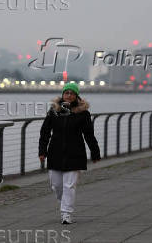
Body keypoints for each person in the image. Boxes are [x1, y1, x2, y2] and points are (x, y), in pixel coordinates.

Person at [38, 83, 101, 224]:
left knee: (69, 186)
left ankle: (66, 214)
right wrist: (42, 151)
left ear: (76, 96)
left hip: (75, 154)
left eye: (72, 93)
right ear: (62, 95)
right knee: (56, 185)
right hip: (55, 153)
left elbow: (89, 134)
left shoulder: (83, 113)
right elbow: (45, 132)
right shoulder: (54, 111)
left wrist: (95, 152)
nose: (69, 95)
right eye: (66, 93)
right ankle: (64, 203)